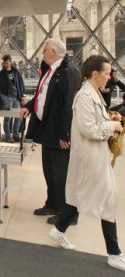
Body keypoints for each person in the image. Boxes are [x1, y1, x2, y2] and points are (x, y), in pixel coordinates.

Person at [48, 55, 125, 272]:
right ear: (95, 74)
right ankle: (115, 253)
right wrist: (112, 127)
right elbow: (88, 129)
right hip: (90, 159)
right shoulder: (84, 97)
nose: (109, 77)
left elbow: (93, 124)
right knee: (107, 199)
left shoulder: (94, 95)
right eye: (107, 73)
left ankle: (59, 229)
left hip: (94, 158)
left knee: (79, 197)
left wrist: (110, 120)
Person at [20, 38, 81, 225]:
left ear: (53, 52)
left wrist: (65, 135)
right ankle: (53, 204)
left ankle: (68, 213)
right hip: (47, 128)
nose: (43, 52)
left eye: (45, 49)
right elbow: (41, 95)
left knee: (61, 173)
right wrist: (29, 107)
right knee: (49, 170)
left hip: (58, 132)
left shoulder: (68, 73)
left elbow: (68, 106)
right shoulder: (50, 71)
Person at [0, 54, 26, 142]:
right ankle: (8, 136)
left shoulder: (16, 72)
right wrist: (2, 97)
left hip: (16, 97)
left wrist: (22, 96)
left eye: (7, 63)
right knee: (7, 118)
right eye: (4, 63)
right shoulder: (1, 74)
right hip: (7, 98)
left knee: (18, 116)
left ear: (10, 62)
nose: (5, 65)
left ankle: (16, 134)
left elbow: (20, 84)